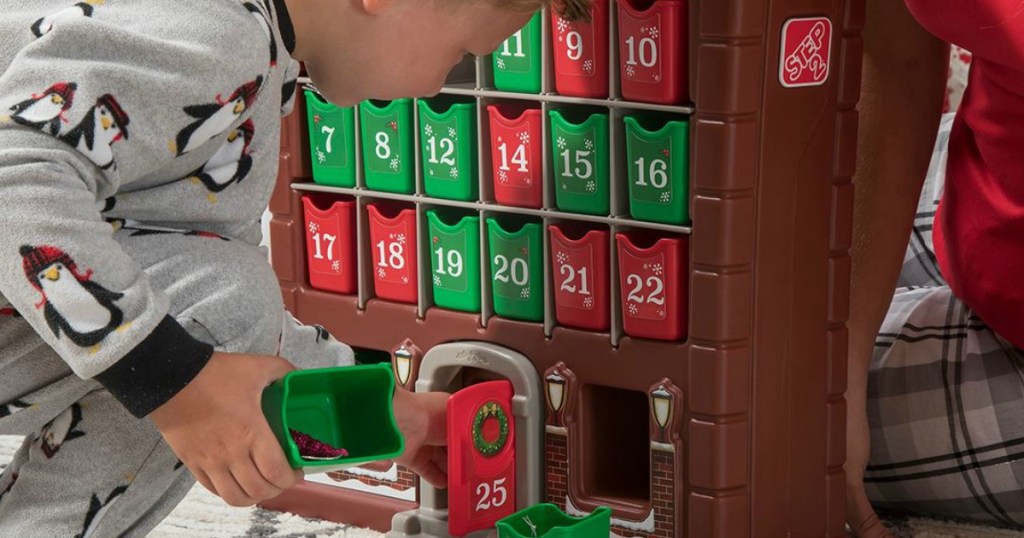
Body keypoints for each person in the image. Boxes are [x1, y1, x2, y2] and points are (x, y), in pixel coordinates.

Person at [0, 0, 590, 535]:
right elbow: (13, 179)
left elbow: (215, 310)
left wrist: (386, 415)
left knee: (212, 339)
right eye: (461, 55)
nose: (438, 86)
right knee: (202, 350)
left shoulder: (248, 56)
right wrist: (181, 387)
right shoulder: (217, 33)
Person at [846, 0, 1024, 535]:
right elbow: (899, 53)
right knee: (765, 339)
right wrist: (839, 370)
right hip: (983, 182)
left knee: (746, 425)